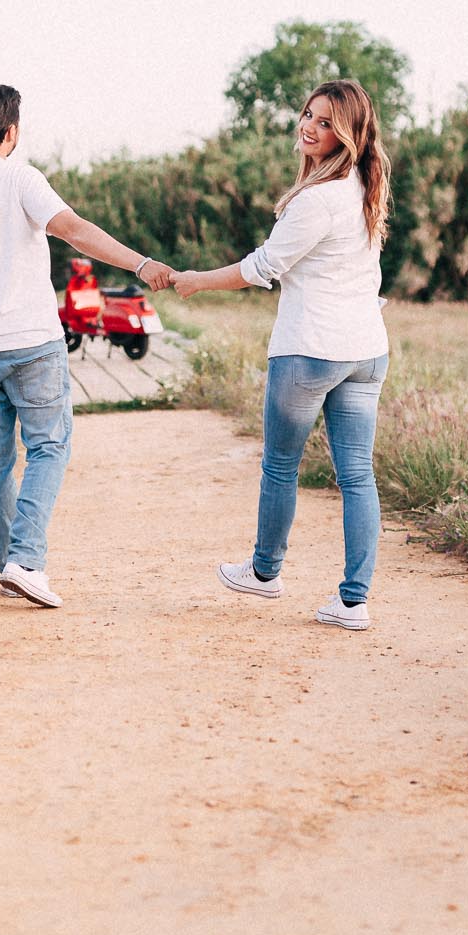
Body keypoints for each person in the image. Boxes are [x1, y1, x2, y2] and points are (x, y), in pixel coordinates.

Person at [0, 83, 173, 608]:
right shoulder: (21, 178)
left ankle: (10, 563)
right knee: (50, 447)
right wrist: (140, 264)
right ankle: (25, 560)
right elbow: (75, 231)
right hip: (31, 342)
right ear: (11, 131)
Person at [174, 79, 391, 631]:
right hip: (366, 351)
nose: (308, 128)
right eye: (307, 116)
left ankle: (265, 573)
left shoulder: (318, 201)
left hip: (310, 350)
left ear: (346, 134)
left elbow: (261, 267)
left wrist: (196, 281)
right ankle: (353, 602)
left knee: (280, 465)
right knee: (357, 476)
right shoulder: (366, 184)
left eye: (323, 123)